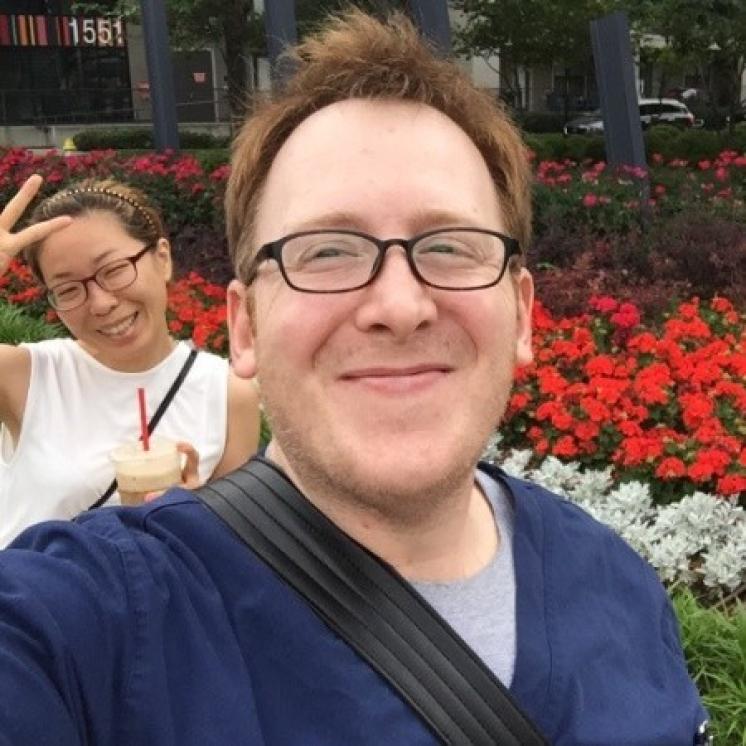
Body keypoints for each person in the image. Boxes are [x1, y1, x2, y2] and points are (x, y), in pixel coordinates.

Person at [0, 11, 708, 745]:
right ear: (244, 328)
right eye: (327, 251)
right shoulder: (89, 627)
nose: (399, 306)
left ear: (524, 314)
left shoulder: (618, 584)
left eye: (452, 246)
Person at [0, 176, 260, 546]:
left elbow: (235, 552)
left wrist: (200, 514)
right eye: (69, 289)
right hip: (30, 599)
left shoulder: (226, 394)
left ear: (163, 259)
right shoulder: (26, 377)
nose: (101, 303)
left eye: (115, 270)